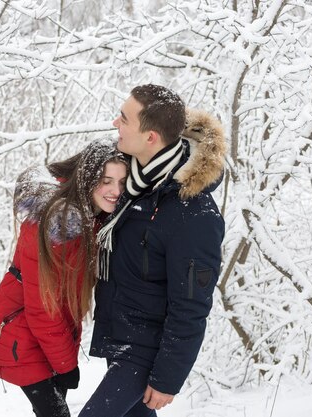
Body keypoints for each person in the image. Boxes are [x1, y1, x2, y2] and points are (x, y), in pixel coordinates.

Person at [79, 85, 226, 417]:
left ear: (151, 137)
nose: (115, 122)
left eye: (125, 118)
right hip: (120, 339)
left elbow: (191, 303)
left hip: (145, 354)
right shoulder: (134, 183)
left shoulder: (192, 212)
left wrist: (168, 377)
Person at [0, 139, 128, 417]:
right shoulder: (57, 226)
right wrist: (66, 365)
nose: (115, 191)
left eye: (122, 182)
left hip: (46, 337)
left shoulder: (89, 214)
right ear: (87, 179)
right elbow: (43, 307)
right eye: (106, 181)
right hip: (22, 333)